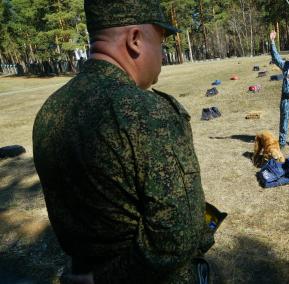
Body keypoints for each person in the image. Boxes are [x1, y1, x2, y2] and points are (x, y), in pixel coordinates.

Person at [32, 1, 215, 283]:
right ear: (135, 40)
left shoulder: (50, 110)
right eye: (161, 43)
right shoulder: (147, 111)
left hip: (79, 270)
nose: (163, 56)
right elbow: (176, 238)